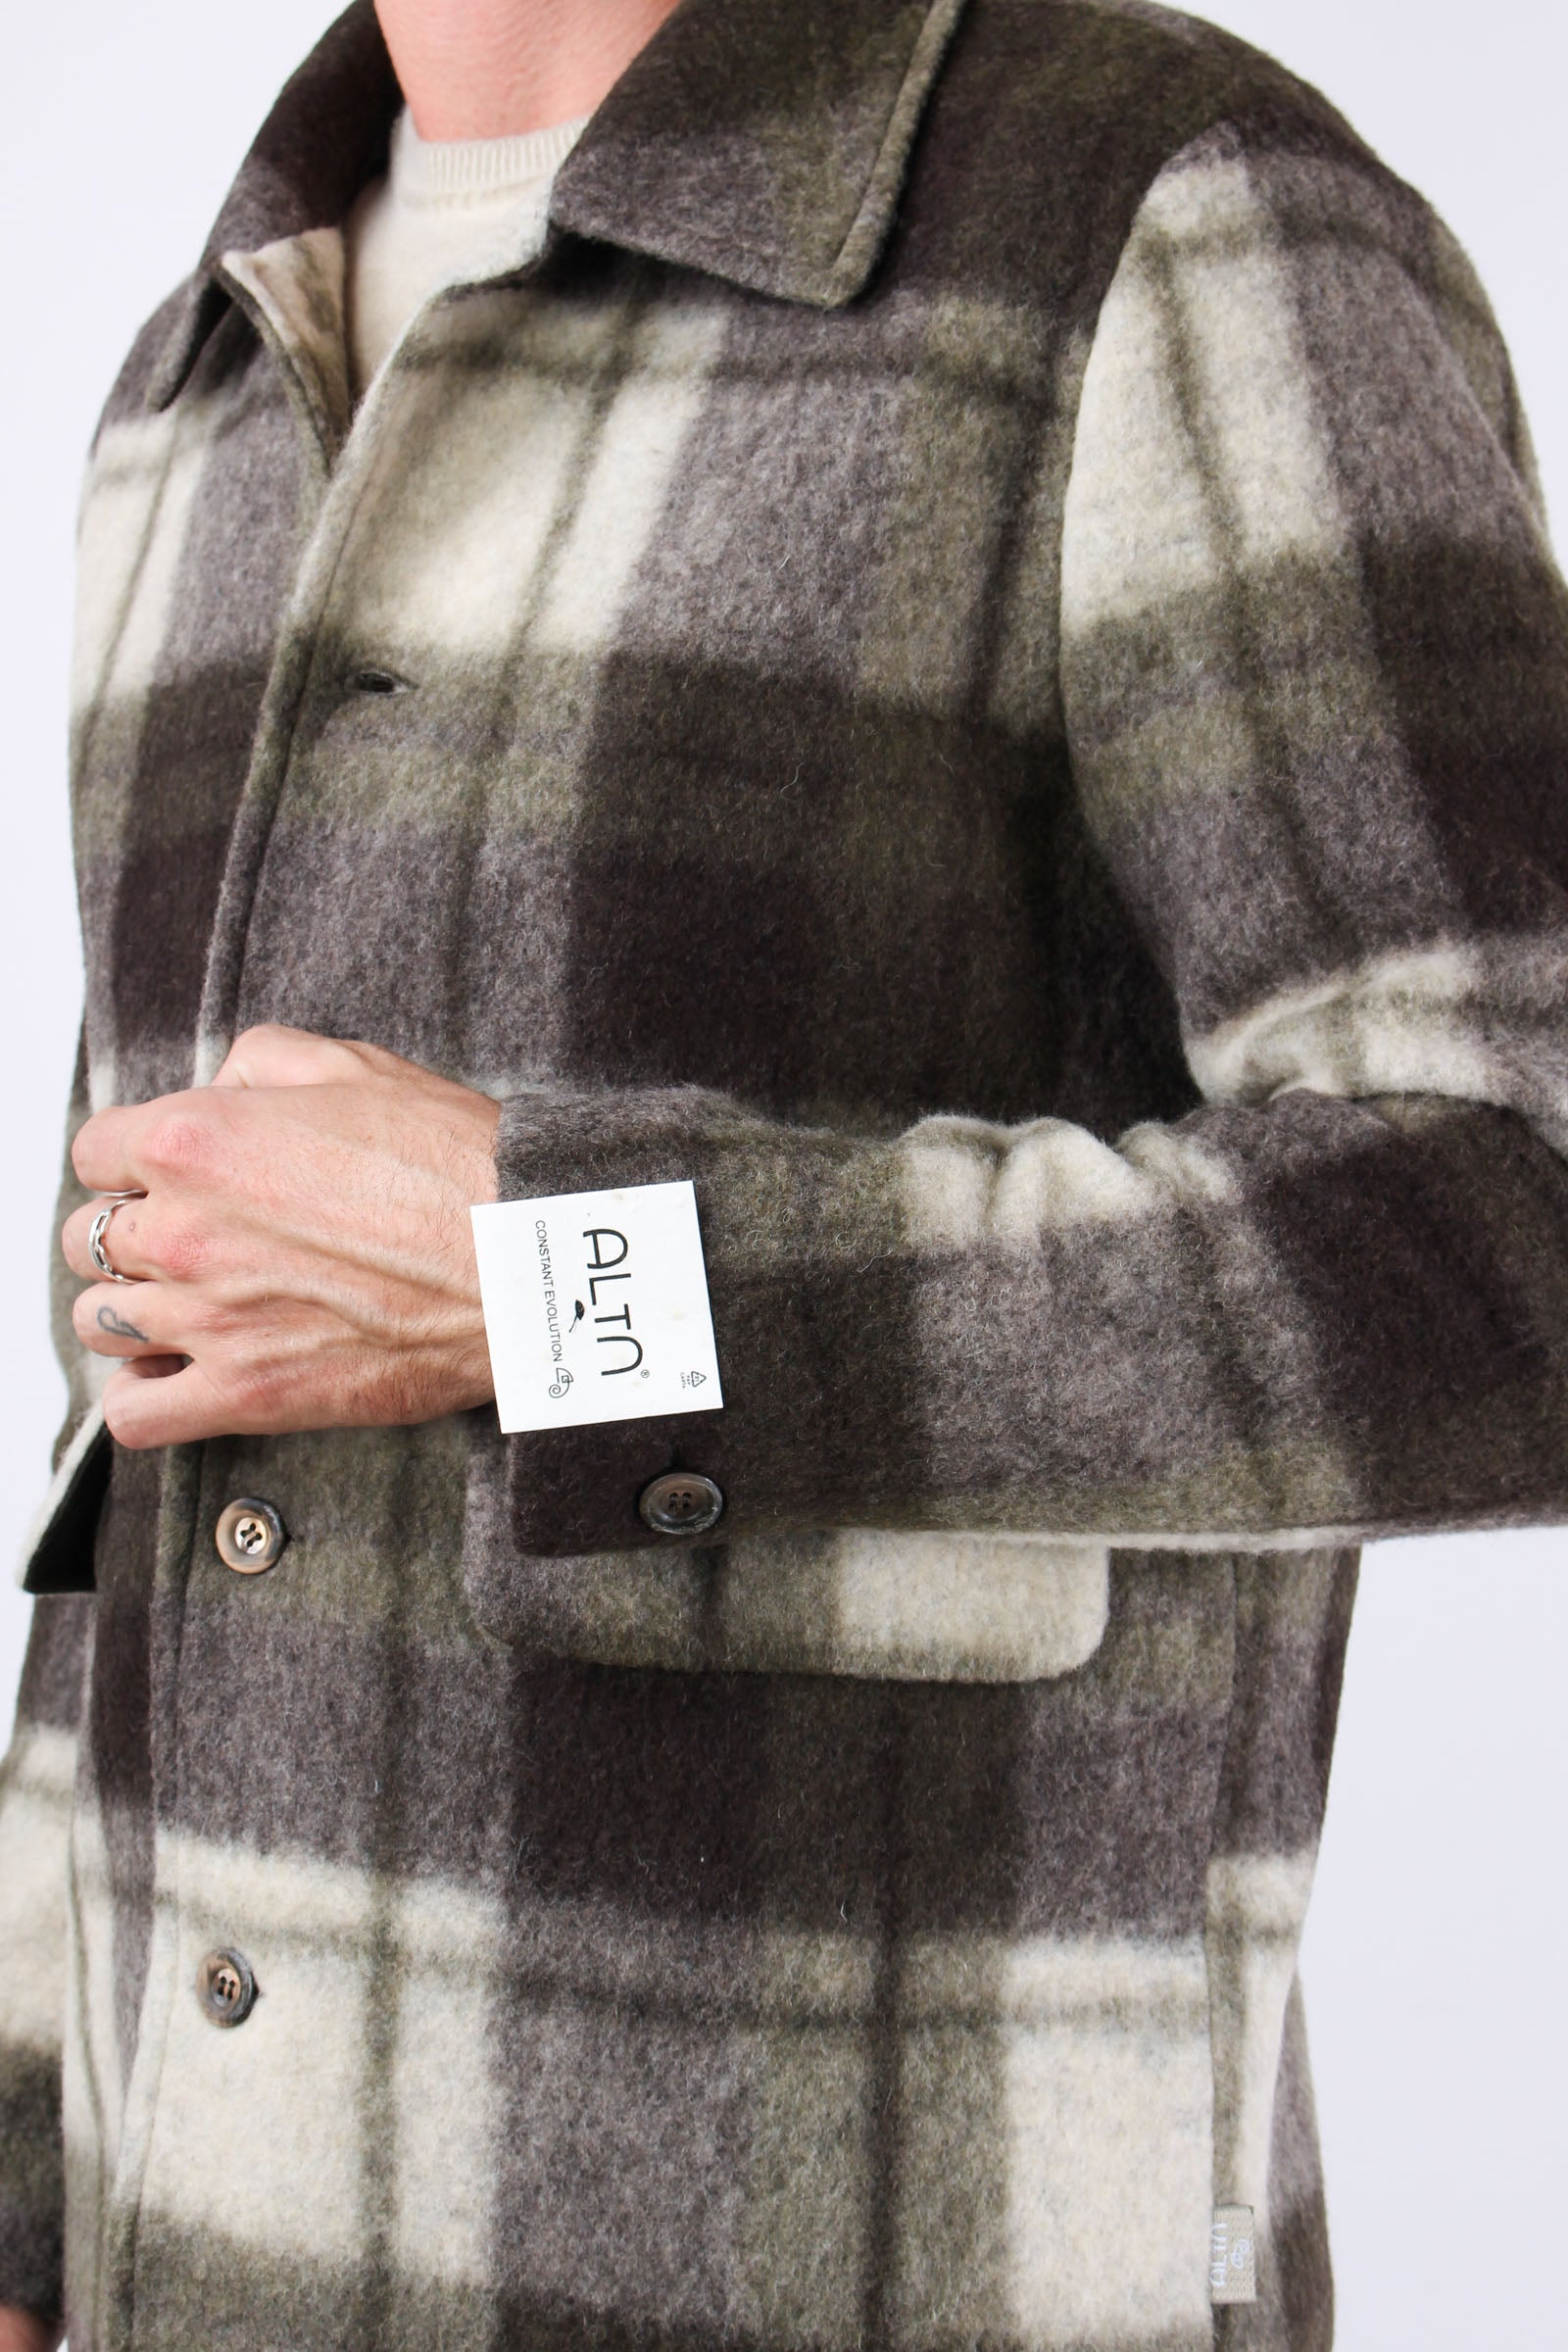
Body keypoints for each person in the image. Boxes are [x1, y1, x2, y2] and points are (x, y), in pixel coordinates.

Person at [1, 0, 1565, 2343]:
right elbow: (147, 1366)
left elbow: (1511, 1216)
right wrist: (28, 2173)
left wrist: (559, 1281)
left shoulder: (1158, 216)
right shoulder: (197, 369)